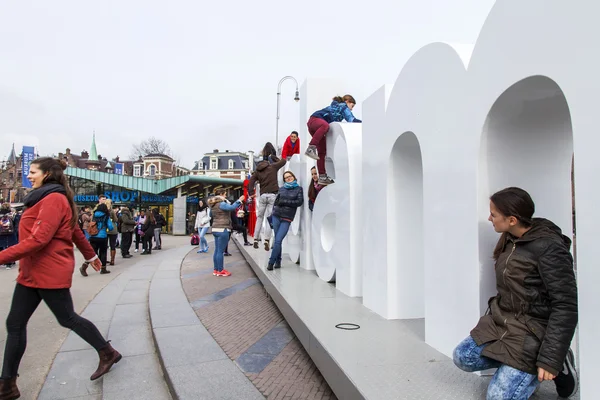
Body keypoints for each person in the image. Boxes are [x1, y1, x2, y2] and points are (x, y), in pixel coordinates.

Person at [0, 157, 121, 398]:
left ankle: (107, 352)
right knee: (15, 324)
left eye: (33, 172)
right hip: (31, 272)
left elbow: (39, 240)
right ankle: (7, 385)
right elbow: (75, 230)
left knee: (68, 318)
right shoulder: (44, 197)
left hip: (49, 272)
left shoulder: (54, 199)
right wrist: (89, 256)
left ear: (46, 174)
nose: (29, 175)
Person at [453, 187, 578, 400]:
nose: (489, 218)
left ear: (512, 220)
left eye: (493, 214)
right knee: (463, 357)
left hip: (533, 333)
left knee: (498, 397)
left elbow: (565, 305)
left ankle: (552, 360)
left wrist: (550, 358)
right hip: (504, 323)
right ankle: (519, 369)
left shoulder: (549, 248)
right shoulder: (510, 239)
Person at [304, 95, 362, 185]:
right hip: (315, 120)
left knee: (322, 151)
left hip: (315, 127)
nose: (351, 109)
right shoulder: (343, 106)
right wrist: (364, 122)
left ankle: (322, 176)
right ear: (347, 101)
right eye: (352, 106)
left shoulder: (336, 107)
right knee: (325, 126)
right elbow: (351, 119)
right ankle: (311, 148)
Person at [248, 142, 287, 251]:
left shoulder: (257, 171)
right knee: (270, 218)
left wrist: (251, 192)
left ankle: (255, 239)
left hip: (263, 195)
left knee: (259, 218)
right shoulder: (273, 167)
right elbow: (283, 161)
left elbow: (251, 181)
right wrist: (274, 157)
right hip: (273, 196)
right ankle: (266, 240)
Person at [267, 171, 303, 271]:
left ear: (294, 176)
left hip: (287, 217)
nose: (288, 178)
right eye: (286, 177)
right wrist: (274, 209)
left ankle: (271, 262)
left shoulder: (299, 189)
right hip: (276, 215)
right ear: (284, 180)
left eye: (290, 176)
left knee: (278, 240)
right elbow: (277, 202)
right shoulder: (281, 189)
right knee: (277, 240)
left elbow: (299, 202)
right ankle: (278, 261)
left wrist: (284, 202)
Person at [208, 189, 244, 277]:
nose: (226, 196)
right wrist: (239, 200)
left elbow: (210, 215)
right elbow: (231, 208)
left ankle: (216, 270)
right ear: (220, 194)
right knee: (220, 251)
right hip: (223, 229)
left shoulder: (212, 205)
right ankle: (220, 270)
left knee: (217, 250)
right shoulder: (222, 203)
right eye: (225, 194)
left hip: (215, 229)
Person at [83, 203, 114, 275]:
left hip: (93, 236)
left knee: (92, 253)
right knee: (103, 252)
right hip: (102, 237)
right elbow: (110, 227)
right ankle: (103, 269)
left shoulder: (94, 215)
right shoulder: (106, 216)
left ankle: (84, 266)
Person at [0, 204, 18, 270]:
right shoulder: (11, 214)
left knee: (3, 247)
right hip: (11, 233)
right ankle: (10, 261)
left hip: (1, 233)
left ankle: (4, 261)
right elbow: (16, 223)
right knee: (11, 247)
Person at [103, 199, 119, 266]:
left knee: (104, 246)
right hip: (113, 229)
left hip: (105, 229)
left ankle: (104, 259)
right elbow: (116, 219)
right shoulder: (112, 211)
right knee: (112, 245)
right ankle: (112, 260)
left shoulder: (103, 210)